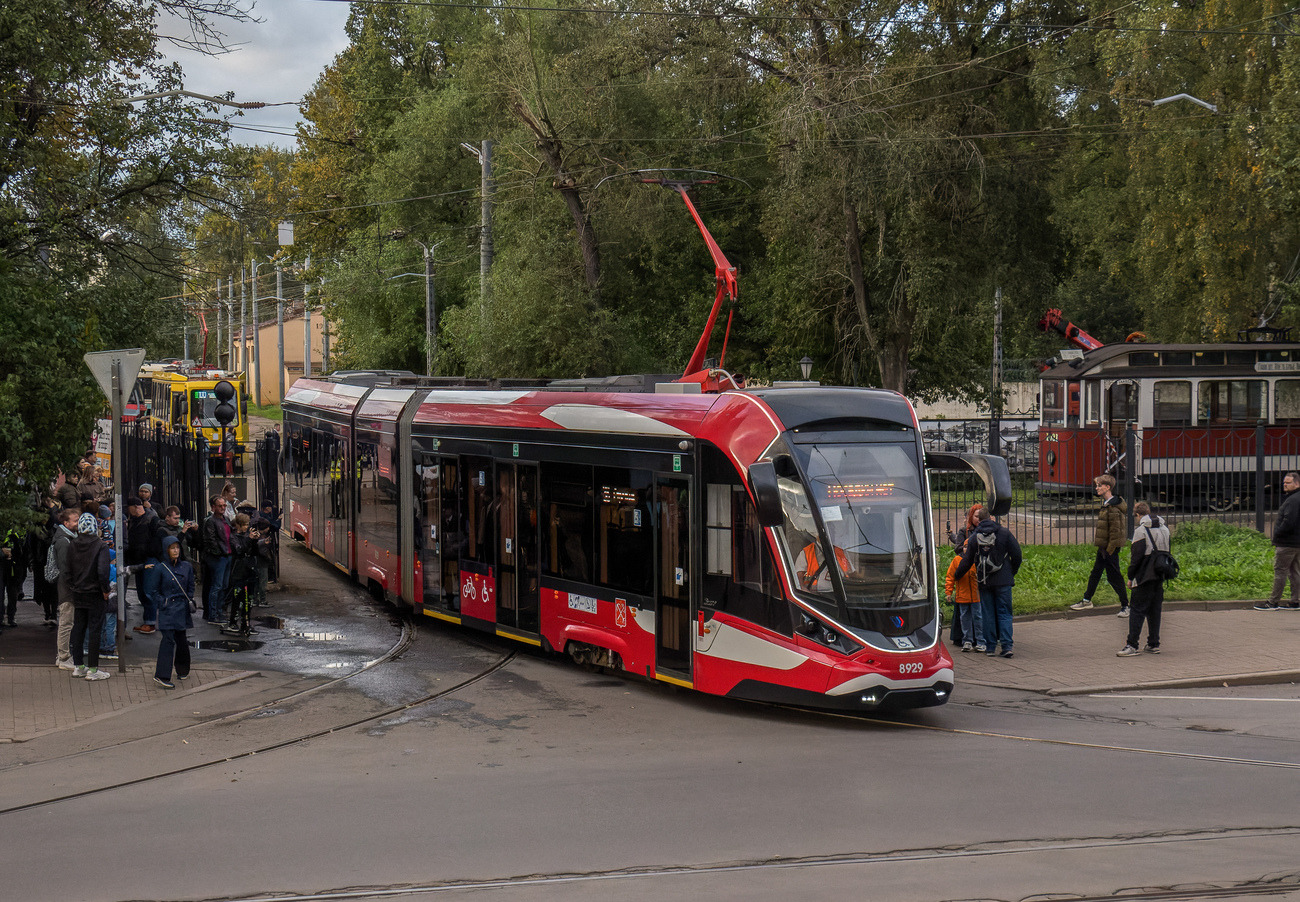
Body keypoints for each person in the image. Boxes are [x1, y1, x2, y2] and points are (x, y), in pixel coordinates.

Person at [953, 507, 1023, 657]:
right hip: (1003, 580)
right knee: (1004, 613)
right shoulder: (1004, 533)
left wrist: (956, 575)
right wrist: (1011, 571)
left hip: (985, 580)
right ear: (991, 517)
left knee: (988, 613)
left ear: (979, 520)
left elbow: (967, 561)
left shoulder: (974, 537)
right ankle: (1006, 646)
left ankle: (990, 647)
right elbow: (1017, 554)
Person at [1069, 474, 1130, 616]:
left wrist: (1109, 550)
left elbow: (1115, 532)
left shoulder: (1113, 507)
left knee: (1114, 577)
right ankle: (1087, 600)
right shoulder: (1108, 504)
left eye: (1099, 485)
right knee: (1096, 573)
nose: (1096, 488)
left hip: (1109, 549)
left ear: (1107, 487)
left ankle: (1126, 606)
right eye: (1096, 485)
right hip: (1104, 548)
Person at [1118, 501, 1172, 656]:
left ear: (1137, 514)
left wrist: (1130, 577)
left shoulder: (1141, 531)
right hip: (1160, 574)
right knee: (1155, 610)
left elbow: (1136, 558)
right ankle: (1153, 643)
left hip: (1144, 576)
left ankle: (1132, 645)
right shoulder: (1165, 529)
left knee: (1137, 610)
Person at [66, 513, 112, 680]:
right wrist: (105, 590)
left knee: (78, 629)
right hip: (95, 593)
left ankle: (78, 666)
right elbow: (103, 571)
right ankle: (93, 669)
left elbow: (67, 570)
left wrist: (73, 586)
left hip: (78, 593)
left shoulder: (72, 544)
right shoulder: (101, 546)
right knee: (95, 630)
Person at [152, 536, 194, 689]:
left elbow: (191, 586)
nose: (176, 551)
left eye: (177, 547)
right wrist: (163, 602)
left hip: (182, 608)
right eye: (172, 548)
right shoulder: (160, 568)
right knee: (168, 640)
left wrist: (189, 598)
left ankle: (182, 669)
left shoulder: (187, 566)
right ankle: (162, 675)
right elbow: (153, 591)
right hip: (168, 609)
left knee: (181, 639)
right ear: (166, 550)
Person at [1256, 471, 1300, 611]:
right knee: (1295, 572)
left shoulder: (1292, 500)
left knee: (1280, 572)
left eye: (1288, 483)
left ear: (1297, 483)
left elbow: (1289, 521)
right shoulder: (1297, 498)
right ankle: (1295, 602)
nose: (1284, 485)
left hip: (1286, 543)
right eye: (1284, 482)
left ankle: (1272, 602)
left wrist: (1278, 534)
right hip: (1296, 543)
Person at [124, 495, 163, 633]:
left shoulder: (152, 519)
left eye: (129, 508)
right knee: (142, 592)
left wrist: (152, 552)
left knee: (148, 591)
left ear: (135, 507)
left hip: (149, 558)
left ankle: (150, 622)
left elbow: (158, 538)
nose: (128, 511)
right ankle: (148, 621)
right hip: (139, 559)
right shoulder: (134, 520)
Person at [48, 507, 80, 670]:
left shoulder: (67, 538)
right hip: (67, 590)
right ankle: (64, 657)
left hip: (67, 588)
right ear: (66, 523)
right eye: (75, 521)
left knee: (67, 623)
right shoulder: (64, 541)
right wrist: (73, 586)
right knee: (66, 623)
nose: (78, 523)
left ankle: (62, 656)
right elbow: (65, 568)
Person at [945, 544, 985, 653]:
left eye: (968, 546)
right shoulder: (957, 560)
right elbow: (950, 577)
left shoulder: (977, 559)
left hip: (975, 596)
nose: (966, 548)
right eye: (965, 546)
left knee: (977, 618)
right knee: (965, 619)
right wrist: (948, 592)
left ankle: (980, 641)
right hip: (963, 596)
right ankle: (968, 641)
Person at [200, 495, 232, 623]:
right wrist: (219, 553)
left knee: (224, 586)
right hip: (219, 557)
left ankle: (219, 612)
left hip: (227, 555)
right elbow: (210, 540)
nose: (223, 508)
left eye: (224, 505)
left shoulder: (226, 519)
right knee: (217, 586)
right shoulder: (210, 521)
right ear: (213, 507)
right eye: (220, 506)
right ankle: (213, 614)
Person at [225, 513, 259, 632]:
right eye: (244, 525)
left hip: (250, 569)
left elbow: (254, 552)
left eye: (247, 524)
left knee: (249, 599)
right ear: (238, 525)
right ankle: (233, 622)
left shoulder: (247, 536)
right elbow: (239, 550)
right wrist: (249, 539)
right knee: (237, 598)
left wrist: (254, 541)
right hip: (239, 571)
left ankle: (246, 622)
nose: (247, 527)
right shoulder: (233, 537)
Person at [1, 525, 28, 628]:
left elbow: (23, 551)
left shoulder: (15, 535)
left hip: (13, 568)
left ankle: (8, 617)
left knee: (11, 594)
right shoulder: (17, 534)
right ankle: (9, 617)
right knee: (10, 593)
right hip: (12, 567)